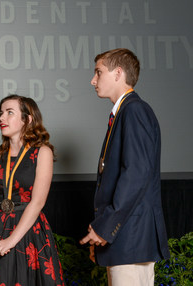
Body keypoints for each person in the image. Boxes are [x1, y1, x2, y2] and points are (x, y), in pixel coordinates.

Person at [80, 48, 170, 285]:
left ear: (118, 73)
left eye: (98, 72)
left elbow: (136, 175)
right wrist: (104, 230)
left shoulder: (134, 110)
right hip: (125, 238)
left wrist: (104, 228)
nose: (93, 80)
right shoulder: (125, 111)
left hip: (131, 237)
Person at [0, 95, 65, 285]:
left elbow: (38, 202)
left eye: (10, 113)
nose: (2, 118)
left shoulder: (42, 152)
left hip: (28, 231)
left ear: (27, 119)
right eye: (1, 113)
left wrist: (10, 242)